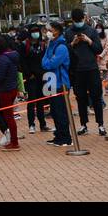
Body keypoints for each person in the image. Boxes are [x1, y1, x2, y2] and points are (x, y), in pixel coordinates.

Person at [67, 8, 106, 137]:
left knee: (97, 97)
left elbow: (98, 49)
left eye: (80, 20)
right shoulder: (68, 32)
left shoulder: (91, 31)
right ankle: (83, 124)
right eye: (76, 20)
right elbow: (65, 52)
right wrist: (73, 43)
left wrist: (89, 40)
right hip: (77, 70)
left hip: (92, 68)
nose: (79, 22)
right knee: (80, 98)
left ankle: (101, 124)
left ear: (84, 18)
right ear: (72, 20)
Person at [41, 19, 73, 147]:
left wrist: (47, 62)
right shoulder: (50, 45)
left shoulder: (61, 47)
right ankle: (58, 135)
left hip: (60, 83)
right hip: (51, 81)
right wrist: (47, 61)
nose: (48, 32)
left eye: (50, 30)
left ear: (57, 31)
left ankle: (65, 137)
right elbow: (44, 62)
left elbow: (51, 63)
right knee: (54, 111)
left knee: (61, 111)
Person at [0, 33, 21, 150]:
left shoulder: (2, 58)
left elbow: (0, 77)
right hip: (12, 88)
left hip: (5, 90)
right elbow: (5, 71)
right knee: (9, 116)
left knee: (9, 117)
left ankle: (14, 142)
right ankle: (13, 140)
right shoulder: (13, 55)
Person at [19, 26, 49, 135]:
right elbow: (22, 61)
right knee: (32, 101)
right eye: (33, 32)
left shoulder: (42, 44)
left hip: (41, 75)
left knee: (41, 100)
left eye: (37, 31)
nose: (35, 33)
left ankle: (43, 124)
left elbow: (45, 58)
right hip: (31, 77)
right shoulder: (24, 45)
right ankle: (31, 124)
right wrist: (28, 74)